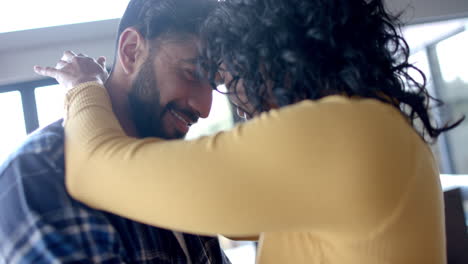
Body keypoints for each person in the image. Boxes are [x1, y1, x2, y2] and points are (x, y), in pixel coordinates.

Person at [36, 0, 464, 263]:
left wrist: (85, 87)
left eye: (225, 72)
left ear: (271, 50)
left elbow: (96, 169)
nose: (225, 98)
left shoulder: (339, 134)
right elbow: (239, 218)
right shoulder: (375, 126)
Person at [0, 0, 230, 263]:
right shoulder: (39, 170)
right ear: (131, 51)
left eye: (215, 85)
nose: (204, 107)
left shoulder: (174, 175)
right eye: (191, 73)